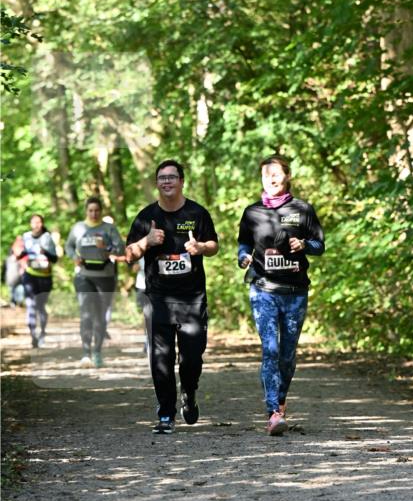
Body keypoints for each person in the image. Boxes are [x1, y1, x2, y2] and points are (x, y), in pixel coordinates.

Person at [126, 159, 219, 434]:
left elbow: (214, 245)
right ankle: (166, 413)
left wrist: (200, 247)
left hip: (192, 299)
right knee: (160, 358)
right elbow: (128, 255)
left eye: (172, 177)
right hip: (158, 299)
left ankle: (189, 394)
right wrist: (146, 241)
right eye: (162, 178)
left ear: (181, 181)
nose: (167, 181)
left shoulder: (197, 213)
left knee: (192, 359)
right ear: (157, 183)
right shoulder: (146, 217)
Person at [237, 154, 325, 435]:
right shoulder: (252, 212)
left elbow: (320, 245)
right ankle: (273, 411)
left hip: (296, 291)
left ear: (287, 176)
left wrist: (305, 244)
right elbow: (243, 242)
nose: (271, 178)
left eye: (276, 173)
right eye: (266, 174)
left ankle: (282, 400)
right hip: (263, 289)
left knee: (287, 354)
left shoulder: (302, 209)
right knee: (270, 350)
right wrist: (243, 256)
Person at [65, 197, 125, 368]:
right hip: (84, 275)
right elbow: (68, 246)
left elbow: (121, 248)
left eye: (96, 210)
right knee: (86, 313)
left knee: (100, 316)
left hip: (105, 276)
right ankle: (86, 354)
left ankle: (97, 352)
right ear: (86, 211)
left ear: (101, 211)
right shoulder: (78, 228)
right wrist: (74, 257)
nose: (93, 213)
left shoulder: (109, 228)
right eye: (90, 210)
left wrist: (106, 248)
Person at [12, 214, 58, 347]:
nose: (36, 225)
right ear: (30, 224)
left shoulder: (47, 238)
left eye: (39, 222)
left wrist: (45, 253)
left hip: (44, 277)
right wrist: (21, 254)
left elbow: (55, 259)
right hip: (30, 275)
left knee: (40, 307)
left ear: (42, 224)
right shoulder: (25, 236)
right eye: (34, 222)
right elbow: (19, 255)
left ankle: (42, 333)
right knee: (30, 306)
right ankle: (33, 335)